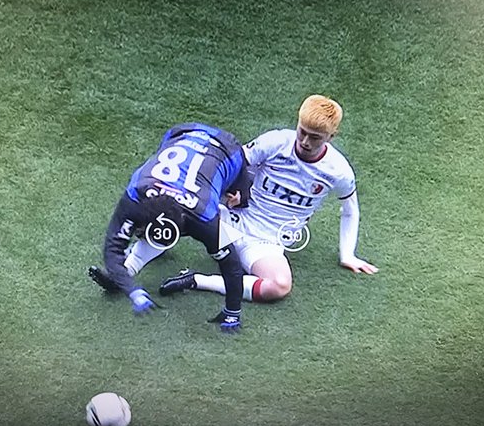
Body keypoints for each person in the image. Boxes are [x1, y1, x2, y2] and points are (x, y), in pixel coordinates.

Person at [157, 95, 378, 303]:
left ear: (331, 136)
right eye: (302, 132)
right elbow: (232, 163)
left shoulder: (338, 170)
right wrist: (235, 189)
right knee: (171, 202)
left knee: (279, 286)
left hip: (265, 245)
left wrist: (348, 254)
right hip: (228, 223)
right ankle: (147, 248)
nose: (305, 141)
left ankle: (195, 281)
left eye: (315, 137)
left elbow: (350, 210)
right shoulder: (276, 141)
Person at [88, 122, 251, 330]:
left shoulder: (205, 216)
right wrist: (132, 291)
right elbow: (111, 250)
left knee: (240, 202)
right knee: (157, 233)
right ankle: (137, 261)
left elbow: (231, 263)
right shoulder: (135, 195)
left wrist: (232, 312)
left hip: (229, 149)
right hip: (180, 134)